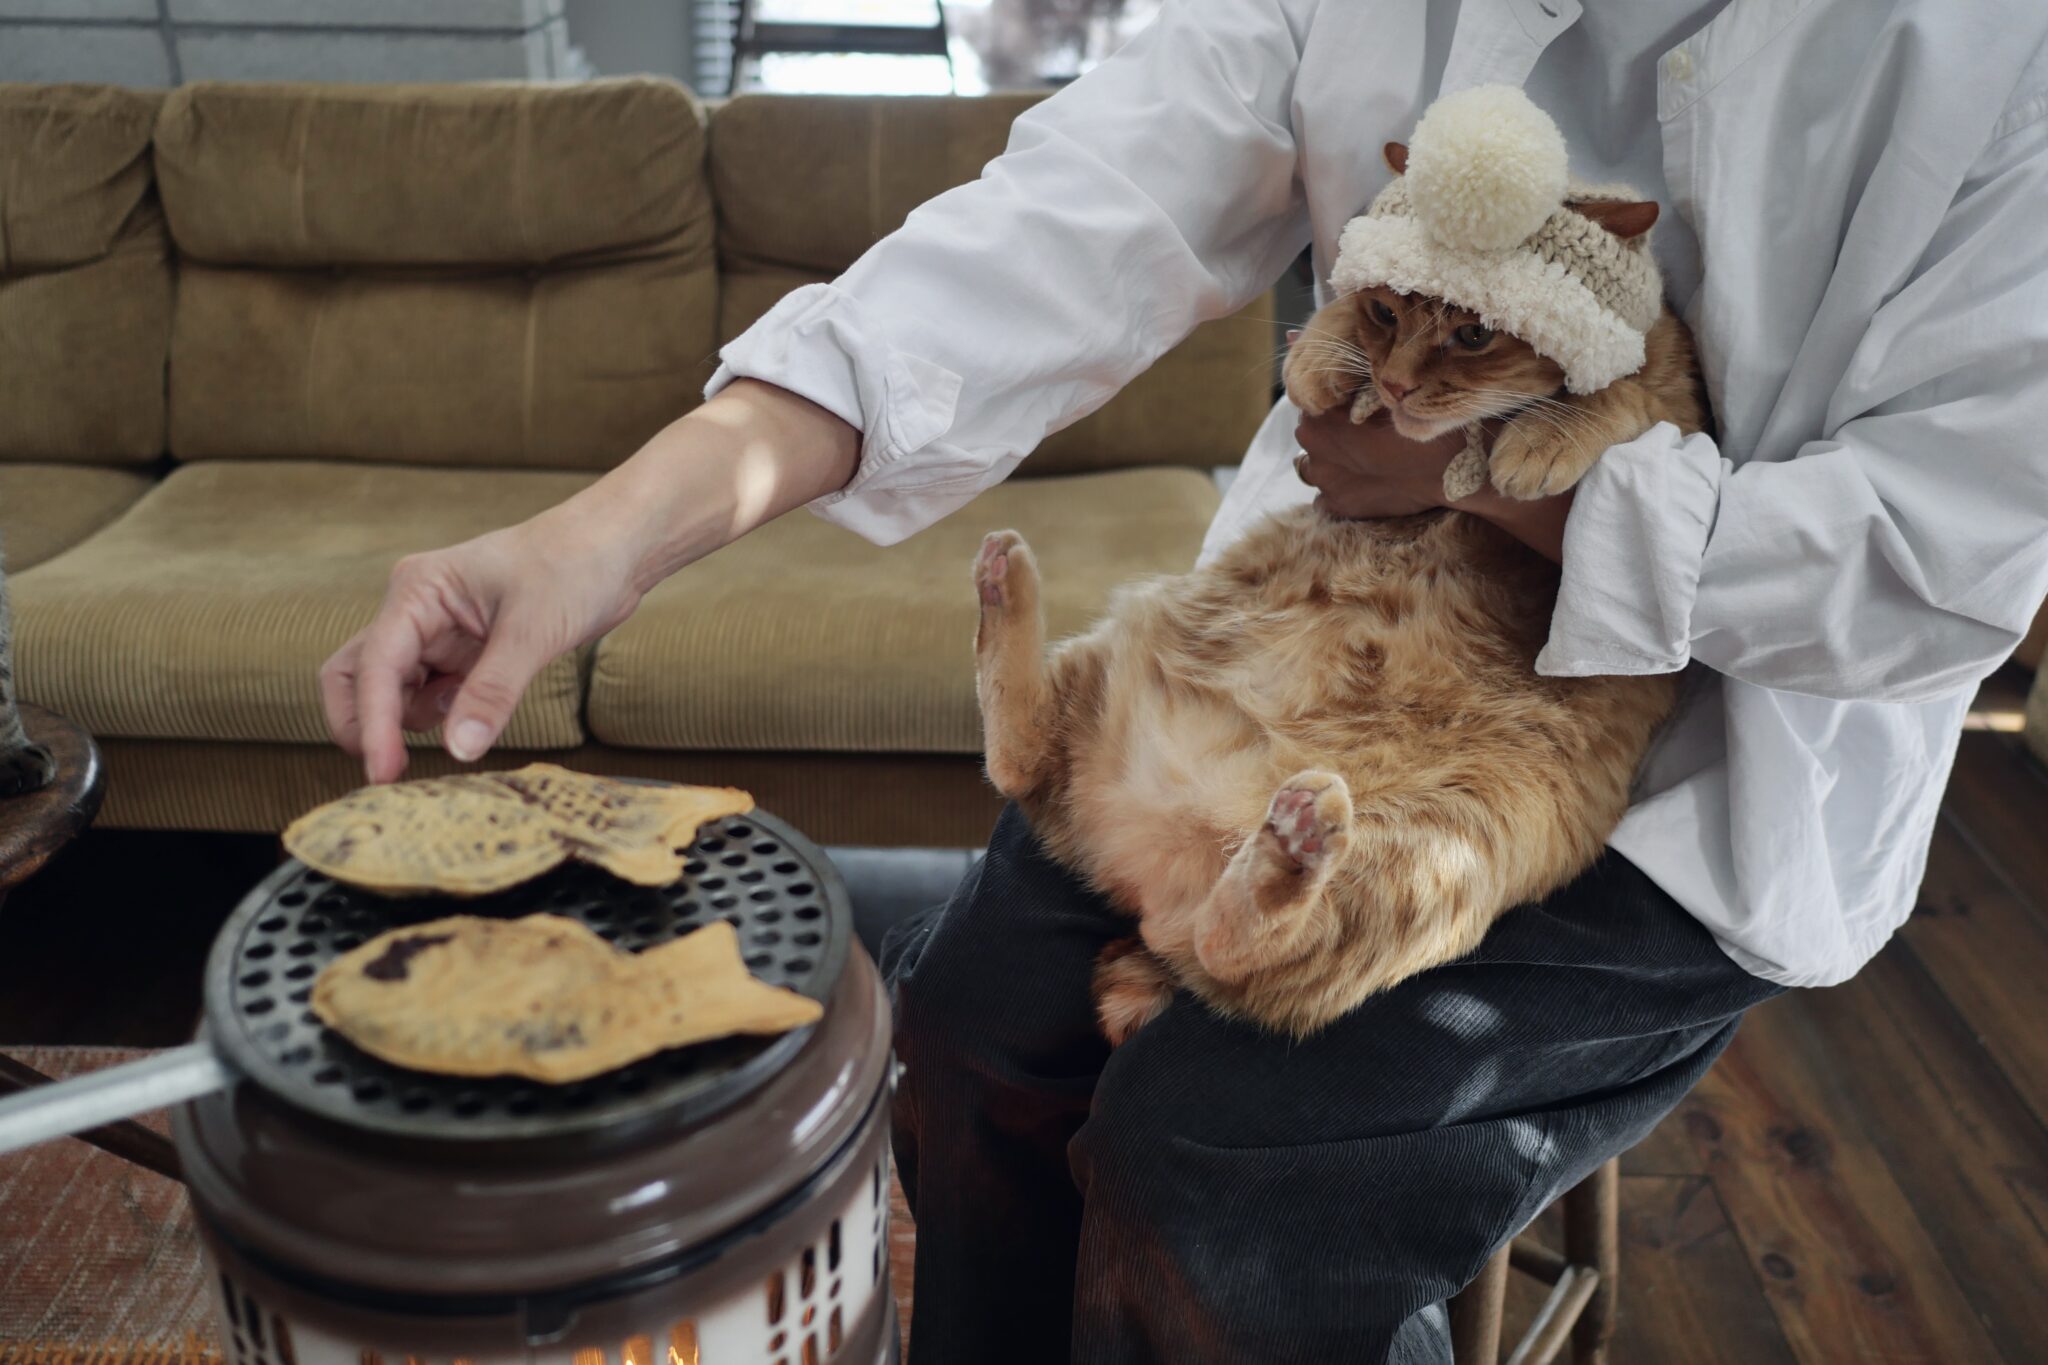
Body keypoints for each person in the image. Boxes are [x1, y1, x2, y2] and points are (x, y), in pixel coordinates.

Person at [321, 2, 2048, 1360]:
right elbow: (1065, 226)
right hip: (1302, 660)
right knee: (968, 1035)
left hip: (1694, 781)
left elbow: (1948, 546)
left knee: (1210, 1172)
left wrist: (1499, 486)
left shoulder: (1995, 57)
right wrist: (602, 539)